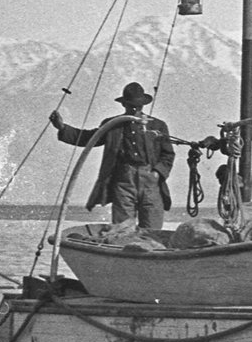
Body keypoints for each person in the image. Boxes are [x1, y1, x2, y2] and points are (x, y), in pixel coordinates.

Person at [50, 82, 177, 233]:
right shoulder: (113, 125)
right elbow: (90, 138)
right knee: (122, 230)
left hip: (150, 182)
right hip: (124, 181)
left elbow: (168, 154)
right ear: (124, 105)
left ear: (143, 105)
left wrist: (157, 173)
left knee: (153, 229)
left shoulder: (157, 125)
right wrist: (63, 128)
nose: (135, 109)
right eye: (131, 105)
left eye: (138, 106)